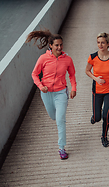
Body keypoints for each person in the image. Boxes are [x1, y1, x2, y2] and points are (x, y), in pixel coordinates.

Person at [26, 29, 77, 160]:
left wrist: (73, 88)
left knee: (60, 120)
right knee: (53, 117)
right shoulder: (43, 58)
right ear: (50, 46)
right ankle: (58, 118)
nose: (59, 47)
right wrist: (41, 86)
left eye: (61, 45)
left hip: (61, 92)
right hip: (46, 93)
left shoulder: (67, 60)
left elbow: (71, 75)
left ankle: (61, 148)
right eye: (56, 45)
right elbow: (34, 74)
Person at [85, 32, 109, 147]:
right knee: (97, 118)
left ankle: (104, 136)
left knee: (106, 115)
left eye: (102, 42)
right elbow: (87, 71)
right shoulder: (92, 57)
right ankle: (95, 117)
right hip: (97, 90)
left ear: (108, 44)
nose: (100, 45)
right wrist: (95, 78)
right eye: (98, 42)